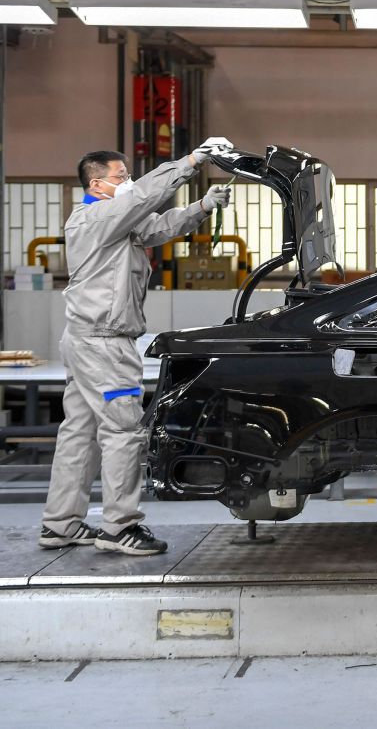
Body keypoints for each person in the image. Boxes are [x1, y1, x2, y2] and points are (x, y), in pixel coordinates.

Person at [38, 145, 232, 556]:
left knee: (81, 432)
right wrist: (191, 163)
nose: (127, 181)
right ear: (97, 184)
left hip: (88, 339)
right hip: (104, 344)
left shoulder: (117, 223)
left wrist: (202, 206)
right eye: (120, 175)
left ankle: (61, 524)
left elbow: (155, 227)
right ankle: (119, 528)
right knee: (124, 432)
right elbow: (145, 196)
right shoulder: (95, 217)